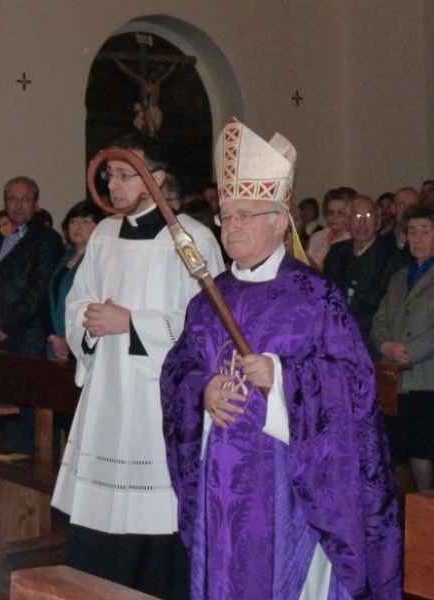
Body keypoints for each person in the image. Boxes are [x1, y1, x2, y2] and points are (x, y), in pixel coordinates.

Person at [160, 117, 402, 600]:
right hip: (218, 482)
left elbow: (353, 386)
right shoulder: (208, 299)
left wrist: (283, 378)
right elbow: (177, 369)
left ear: (279, 220)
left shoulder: (314, 296)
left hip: (289, 483)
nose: (232, 227)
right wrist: (202, 388)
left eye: (246, 215)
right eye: (226, 216)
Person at [51, 132, 224, 599]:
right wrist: (88, 324)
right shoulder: (105, 234)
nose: (114, 185)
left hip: (157, 399)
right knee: (101, 522)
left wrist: (131, 322)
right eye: (110, 175)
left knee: (156, 519)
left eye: (126, 175)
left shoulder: (192, 238)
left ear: (158, 178)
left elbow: (205, 324)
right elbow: (78, 300)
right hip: (108, 390)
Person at [371, 204, 434, 492]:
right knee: (402, 451)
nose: (417, 238)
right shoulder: (399, 276)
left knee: (424, 450)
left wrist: (406, 351)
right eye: (412, 232)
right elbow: (380, 319)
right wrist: (386, 344)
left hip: (426, 376)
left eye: (425, 231)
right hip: (397, 380)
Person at [0, 176, 64, 356]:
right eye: (12, 199)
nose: (18, 205)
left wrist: (3, 327)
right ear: (5, 203)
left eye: (25, 199)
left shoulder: (47, 239)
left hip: (27, 339)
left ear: (36, 204)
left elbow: (37, 292)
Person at [323, 195, 409, 358]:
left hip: (372, 342)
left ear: (378, 222)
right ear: (347, 222)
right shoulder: (337, 252)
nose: (362, 222)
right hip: (336, 339)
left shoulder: (394, 257)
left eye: (368, 216)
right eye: (356, 215)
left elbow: (390, 311)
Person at [47, 199, 105, 360]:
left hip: (84, 340)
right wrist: (53, 336)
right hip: (57, 341)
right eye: (73, 221)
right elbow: (49, 299)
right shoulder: (63, 258)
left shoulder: (100, 260)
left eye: (86, 221)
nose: (78, 226)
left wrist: (73, 335)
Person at [307, 186, 355, 270]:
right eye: (331, 212)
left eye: (340, 213)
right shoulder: (317, 237)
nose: (334, 217)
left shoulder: (353, 241)